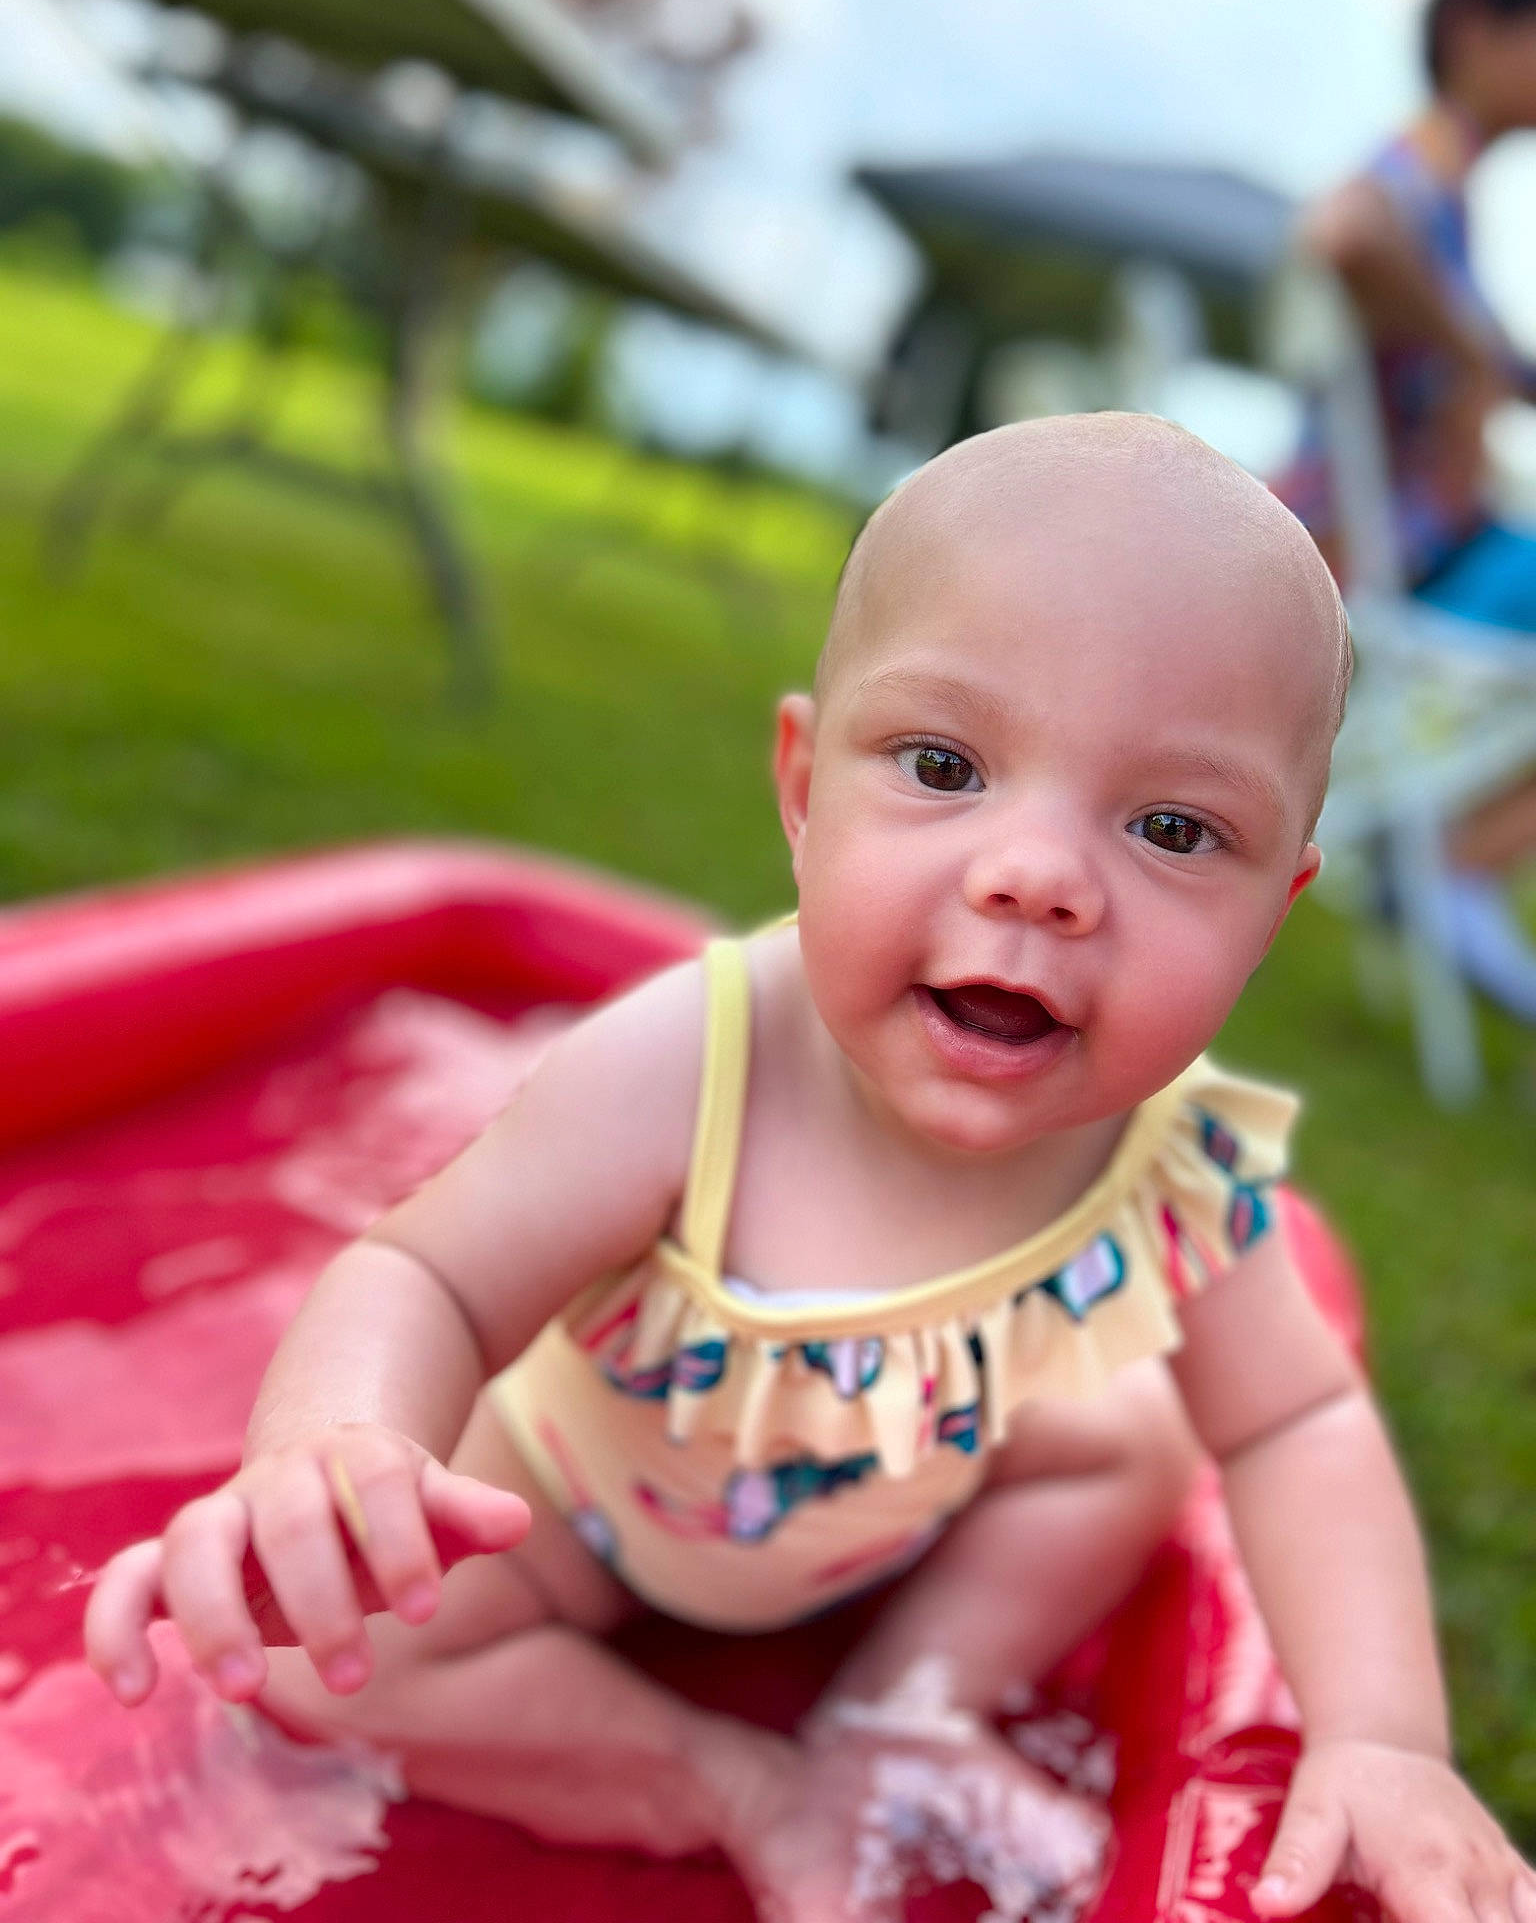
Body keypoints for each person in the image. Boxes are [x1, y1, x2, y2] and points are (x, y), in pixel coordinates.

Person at [85, 416, 1535, 1923]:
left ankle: (906, 1705)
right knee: (351, 1662)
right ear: (801, 787)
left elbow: (1299, 1421)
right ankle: (728, 1780)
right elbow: (423, 1272)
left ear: (1274, 906)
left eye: (1174, 827)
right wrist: (334, 1447)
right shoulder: (691, 1069)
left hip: (901, 1511)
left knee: (1134, 1443)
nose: (1035, 875)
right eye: (945, 763)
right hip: (579, 1520)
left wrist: (1383, 1739)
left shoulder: (1171, 1164)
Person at [1283, 0, 1536, 1021]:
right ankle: (1452, 866)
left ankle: (1445, 861)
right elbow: (1347, 233)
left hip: (1414, 548)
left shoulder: (1455, 193)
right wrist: (1475, 349)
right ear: (1474, 31)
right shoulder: (1420, 163)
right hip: (1379, 557)